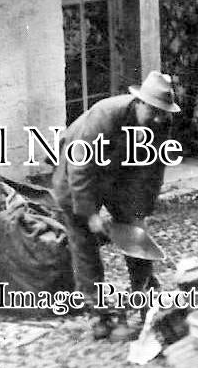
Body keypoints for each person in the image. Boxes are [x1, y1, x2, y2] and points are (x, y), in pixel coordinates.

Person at [52, 71, 181, 339]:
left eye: (164, 112)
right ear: (140, 103)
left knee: (137, 239)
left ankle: (146, 302)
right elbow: (80, 167)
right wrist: (90, 214)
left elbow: (153, 170)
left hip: (118, 176)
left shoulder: (161, 122)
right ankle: (97, 314)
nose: (159, 118)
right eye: (154, 111)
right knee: (85, 244)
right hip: (76, 175)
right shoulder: (105, 116)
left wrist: (141, 212)